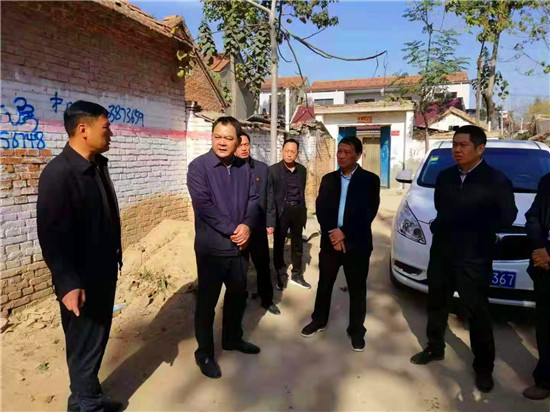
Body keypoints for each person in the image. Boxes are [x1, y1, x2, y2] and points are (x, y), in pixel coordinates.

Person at [410, 125, 517, 393]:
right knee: (437, 304)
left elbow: (507, 216)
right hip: (442, 254)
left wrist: (474, 224)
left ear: (480, 149)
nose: (457, 150)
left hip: (474, 257)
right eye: (455, 145)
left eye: (463, 145)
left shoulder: (496, 180)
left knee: (477, 312)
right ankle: (435, 347)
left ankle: (484, 368)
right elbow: (441, 207)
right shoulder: (445, 177)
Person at [37, 101, 123, 412]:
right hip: (81, 280)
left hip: (103, 271)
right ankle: (89, 406)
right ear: (83, 129)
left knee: (94, 341)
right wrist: (68, 283)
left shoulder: (96, 165)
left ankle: (84, 400)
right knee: (84, 345)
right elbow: (51, 235)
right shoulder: (59, 174)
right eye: (106, 127)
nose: (111, 133)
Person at [187, 116, 261, 379]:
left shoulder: (244, 168)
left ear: (238, 141)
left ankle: (232, 338)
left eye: (228, 138)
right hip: (212, 250)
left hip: (240, 248)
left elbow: (254, 200)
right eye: (217, 136)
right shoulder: (199, 167)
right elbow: (204, 206)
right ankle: (205, 353)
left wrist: (247, 226)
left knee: (237, 297)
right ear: (211, 137)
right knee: (207, 303)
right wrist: (234, 229)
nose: (222, 142)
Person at [301, 137, 380, 352]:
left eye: (347, 152)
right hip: (330, 244)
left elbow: (368, 213)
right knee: (325, 283)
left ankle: (356, 330)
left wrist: (344, 233)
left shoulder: (370, 180)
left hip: (357, 244)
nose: (341, 156)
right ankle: (318, 320)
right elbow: (322, 209)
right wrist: (333, 234)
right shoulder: (328, 179)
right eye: (339, 151)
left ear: (358, 155)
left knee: (357, 288)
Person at [235, 132, 281, 315]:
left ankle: (267, 299)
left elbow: (269, 196)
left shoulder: (262, 169)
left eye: (246, 144)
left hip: (258, 226)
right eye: (240, 145)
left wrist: (270, 222)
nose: (244, 148)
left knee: (262, 265)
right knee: (239, 268)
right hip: (237, 229)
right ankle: (239, 299)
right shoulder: (229, 170)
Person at [267, 139, 310, 290]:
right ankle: (280, 274)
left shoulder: (302, 170)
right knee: (279, 244)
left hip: (297, 210)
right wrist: (270, 219)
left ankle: (297, 274)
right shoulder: (272, 171)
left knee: (297, 244)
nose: (289, 154)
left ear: (297, 153)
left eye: (292, 152)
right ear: (282, 151)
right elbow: (270, 197)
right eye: (286, 151)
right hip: (281, 212)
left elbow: (301, 191)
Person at [523, 172, 550, 400]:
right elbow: (533, 216)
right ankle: (545, 379)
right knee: (545, 325)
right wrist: (540, 247)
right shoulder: (547, 180)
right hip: (545, 266)